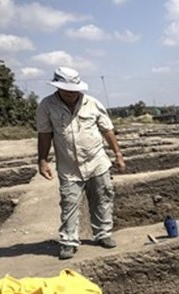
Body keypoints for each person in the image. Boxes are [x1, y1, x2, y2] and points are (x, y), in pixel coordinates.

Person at [36, 66, 126, 260]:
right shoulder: (47, 106)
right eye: (66, 89)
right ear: (58, 87)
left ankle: (103, 234)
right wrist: (42, 160)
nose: (70, 93)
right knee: (69, 203)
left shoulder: (92, 104)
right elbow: (44, 134)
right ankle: (69, 241)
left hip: (97, 161)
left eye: (73, 89)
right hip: (69, 166)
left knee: (102, 197)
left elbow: (107, 130)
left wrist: (118, 154)